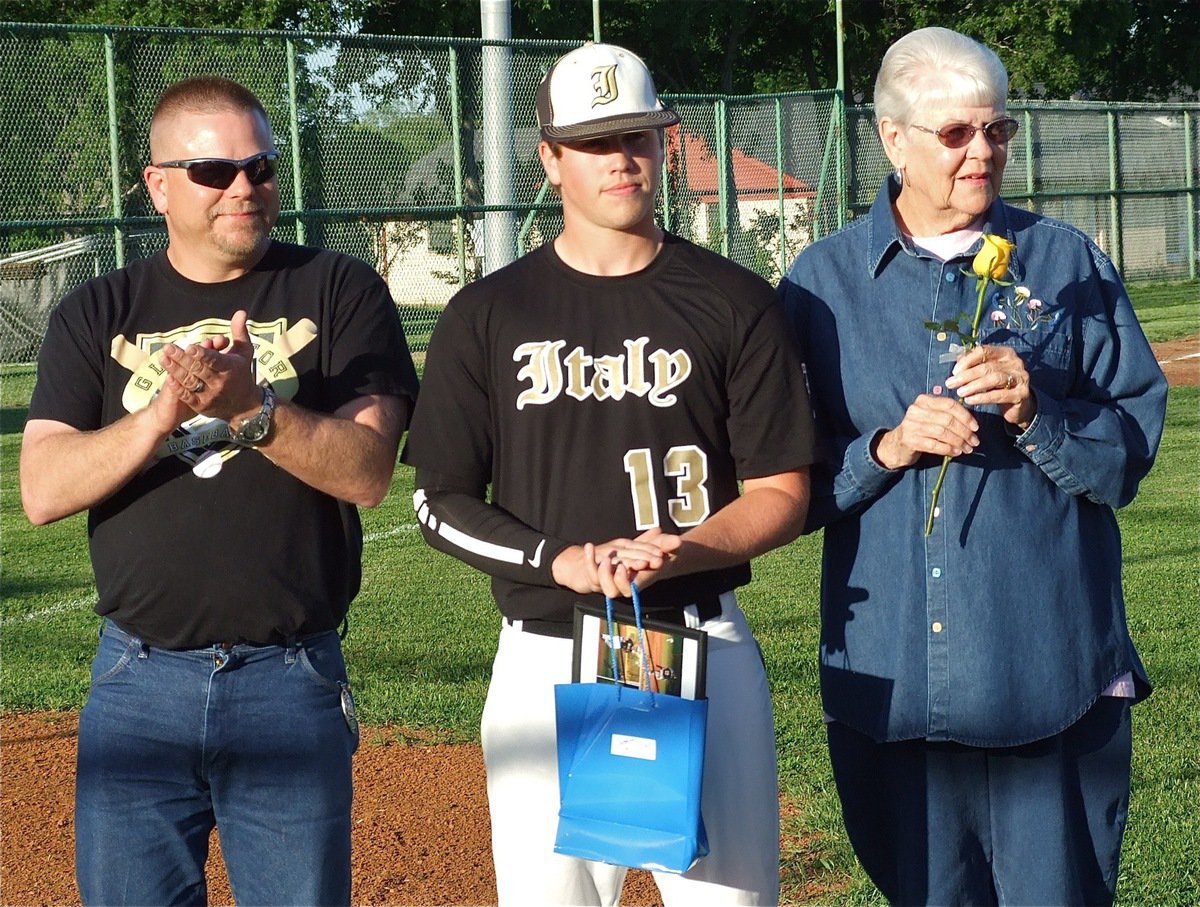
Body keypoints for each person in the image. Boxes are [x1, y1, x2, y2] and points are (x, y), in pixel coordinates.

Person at [401, 43, 814, 906]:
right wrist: (559, 559)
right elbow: (437, 499)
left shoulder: (736, 301)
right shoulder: (487, 314)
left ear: (665, 141)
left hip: (701, 642)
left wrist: (683, 549)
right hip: (546, 655)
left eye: (637, 135)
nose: (620, 158)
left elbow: (782, 490)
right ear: (549, 158)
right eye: (593, 142)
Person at [778, 27, 1168, 906]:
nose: (983, 151)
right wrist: (886, 448)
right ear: (892, 139)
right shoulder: (821, 284)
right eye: (956, 133)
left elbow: (1129, 453)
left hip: (1051, 679)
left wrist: (1038, 415)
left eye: (998, 131)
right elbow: (781, 484)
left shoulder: (1068, 264)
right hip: (895, 695)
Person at [19, 75, 419, 906]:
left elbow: (369, 472)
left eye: (261, 166)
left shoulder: (339, 291)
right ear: (158, 184)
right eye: (213, 171)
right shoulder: (98, 311)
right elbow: (43, 488)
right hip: (135, 682)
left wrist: (252, 407)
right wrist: (161, 412)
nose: (244, 186)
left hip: (289, 677)